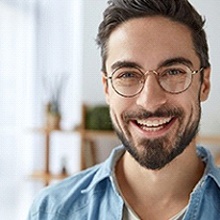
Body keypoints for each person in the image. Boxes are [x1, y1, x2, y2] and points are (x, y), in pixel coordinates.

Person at [28, 0, 220, 219]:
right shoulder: (53, 211)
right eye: (127, 75)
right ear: (107, 88)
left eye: (173, 72)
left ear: (204, 83)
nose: (149, 101)